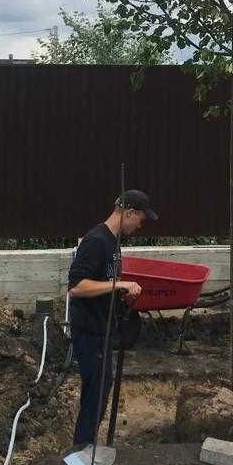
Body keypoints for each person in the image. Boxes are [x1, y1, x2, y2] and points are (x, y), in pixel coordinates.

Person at [67, 189, 158, 450]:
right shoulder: (97, 241)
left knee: (102, 386)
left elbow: (105, 283)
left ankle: (87, 445)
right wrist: (120, 283)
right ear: (128, 212)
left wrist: (120, 294)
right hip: (90, 330)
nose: (140, 225)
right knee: (95, 391)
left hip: (104, 328)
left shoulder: (114, 242)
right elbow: (77, 286)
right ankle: (82, 449)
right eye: (140, 218)